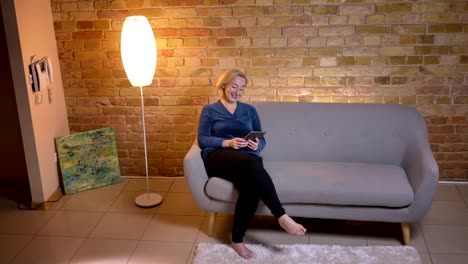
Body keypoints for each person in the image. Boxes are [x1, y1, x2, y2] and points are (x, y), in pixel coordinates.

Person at [197, 69, 307, 259]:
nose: (237, 91)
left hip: (247, 159)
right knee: (251, 163)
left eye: (242, 88)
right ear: (223, 86)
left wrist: (256, 144)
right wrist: (227, 143)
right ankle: (281, 216)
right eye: (234, 86)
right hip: (219, 156)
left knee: (251, 187)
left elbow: (261, 140)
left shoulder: (250, 110)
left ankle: (237, 240)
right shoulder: (210, 110)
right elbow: (203, 139)